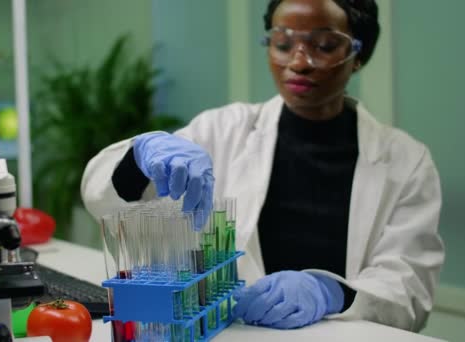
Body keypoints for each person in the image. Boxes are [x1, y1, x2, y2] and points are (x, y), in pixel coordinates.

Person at [81, 0, 444, 332]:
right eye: (283, 43)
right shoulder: (222, 130)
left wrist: (331, 292)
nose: (299, 62)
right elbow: (104, 201)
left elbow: (409, 287)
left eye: (324, 45)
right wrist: (140, 158)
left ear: (358, 54)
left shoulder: (406, 161)